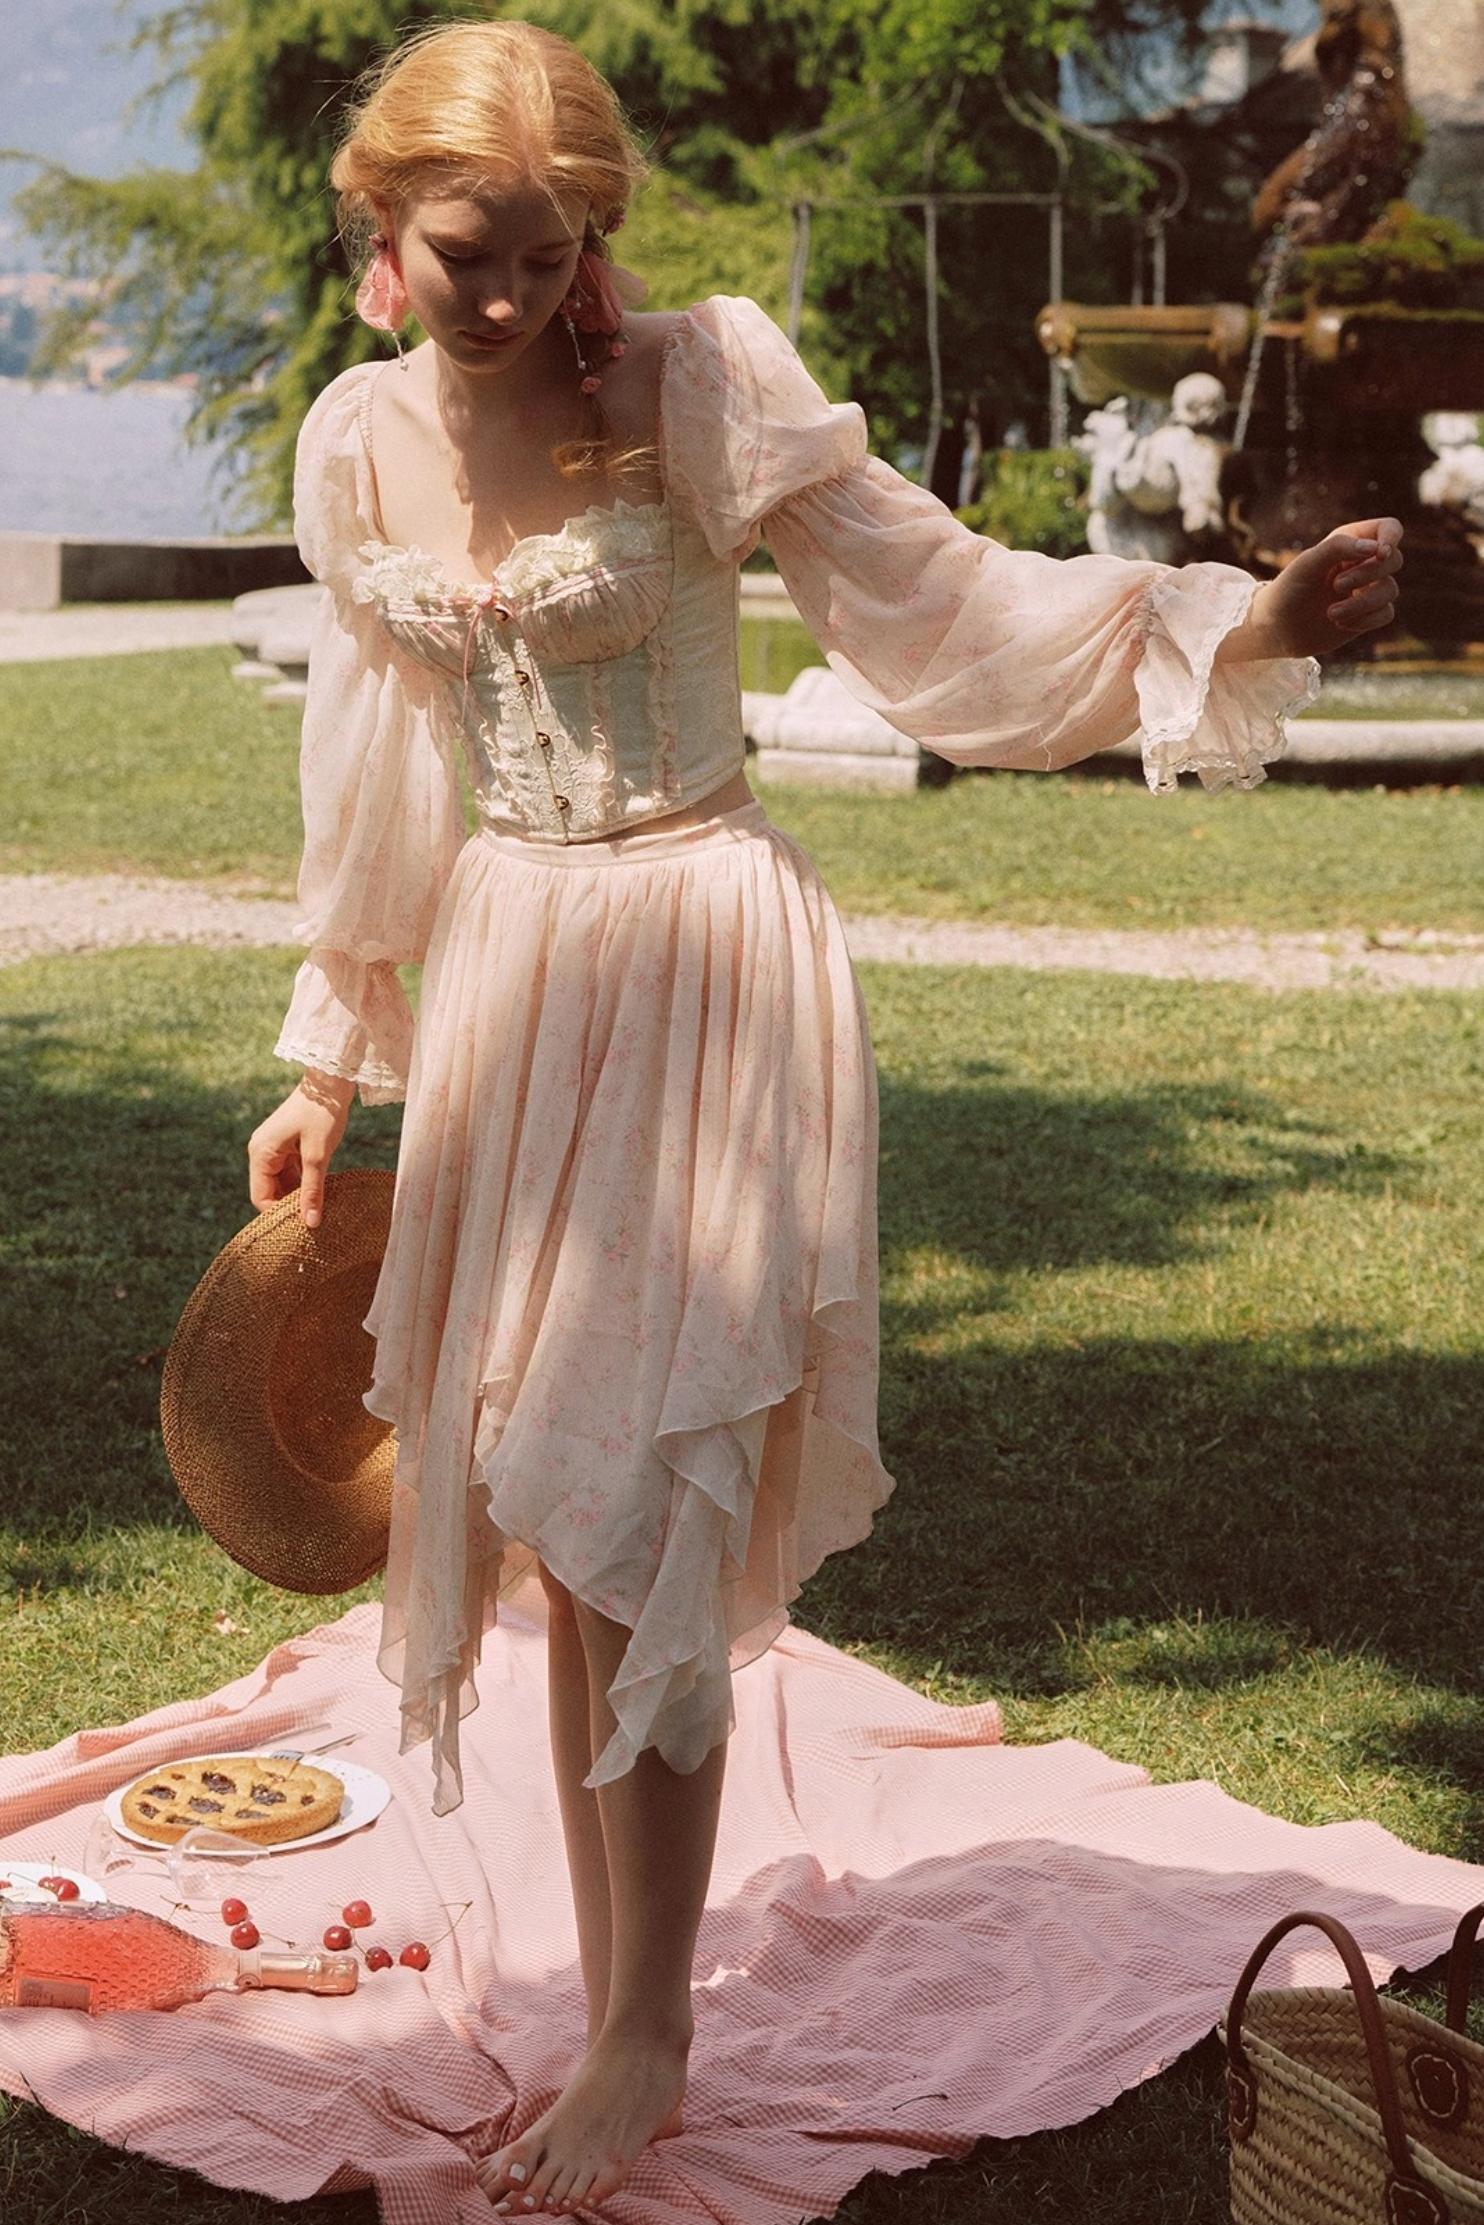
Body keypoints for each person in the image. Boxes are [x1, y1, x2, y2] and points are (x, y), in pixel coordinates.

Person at [245, 20, 1402, 2218]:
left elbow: (935, 599)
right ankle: (625, 1990)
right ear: (379, 218)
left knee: (642, 1497)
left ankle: (643, 2033)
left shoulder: (694, 383)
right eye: (470, 254)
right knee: (555, 1496)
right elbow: (376, 774)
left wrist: (1233, 625)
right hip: (504, 972)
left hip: (703, 962)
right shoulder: (355, 441)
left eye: (548, 255)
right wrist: (332, 1064)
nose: (510, 297)